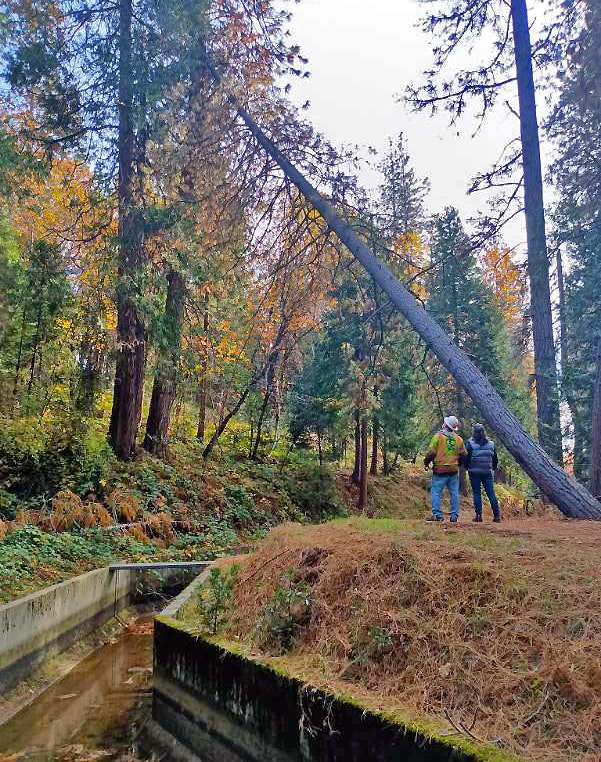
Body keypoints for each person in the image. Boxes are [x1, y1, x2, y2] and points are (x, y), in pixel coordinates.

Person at [424, 415, 467, 523]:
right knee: (454, 493)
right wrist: (459, 464)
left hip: (440, 470)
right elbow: (464, 454)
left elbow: (432, 452)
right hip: (453, 470)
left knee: (436, 492)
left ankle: (438, 515)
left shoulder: (438, 437)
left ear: (445, 425)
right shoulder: (459, 439)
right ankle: (454, 515)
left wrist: (426, 462)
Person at [465, 423, 501, 523]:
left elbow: (467, 458)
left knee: (477, 493)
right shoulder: (491, 444)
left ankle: (478, 515)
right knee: (491, 493)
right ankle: (497, 516)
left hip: (474, 471)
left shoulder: (470, 444)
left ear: (474, 433)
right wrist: (493, 468)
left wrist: (467, 467)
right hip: (487, 472)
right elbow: (495, 459)